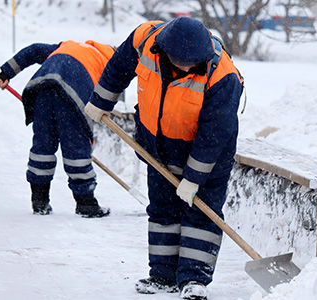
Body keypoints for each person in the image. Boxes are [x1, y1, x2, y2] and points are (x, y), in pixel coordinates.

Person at [85, 17, 243, 299]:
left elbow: (214, 135)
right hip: (157, 146)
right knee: (162, 210)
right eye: (180, 61)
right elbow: (119, 67)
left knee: (200, 213)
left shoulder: (223, 76)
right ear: (164, 49)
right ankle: (162, 276)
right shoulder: (146, 38)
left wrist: (193, 179)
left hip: (207, 156)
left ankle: (194, 280)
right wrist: (100, 101)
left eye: (191, 63)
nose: (185, 67)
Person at [0, 40, 115, 218]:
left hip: (42, 86)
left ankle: (39, 201)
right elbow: (107, 96)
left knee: (43, 146)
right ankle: (86, 204)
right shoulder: (109, 61)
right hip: (72, 93)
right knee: (76, 148)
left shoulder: (69, 45)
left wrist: (6, 72)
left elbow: (34, 50)